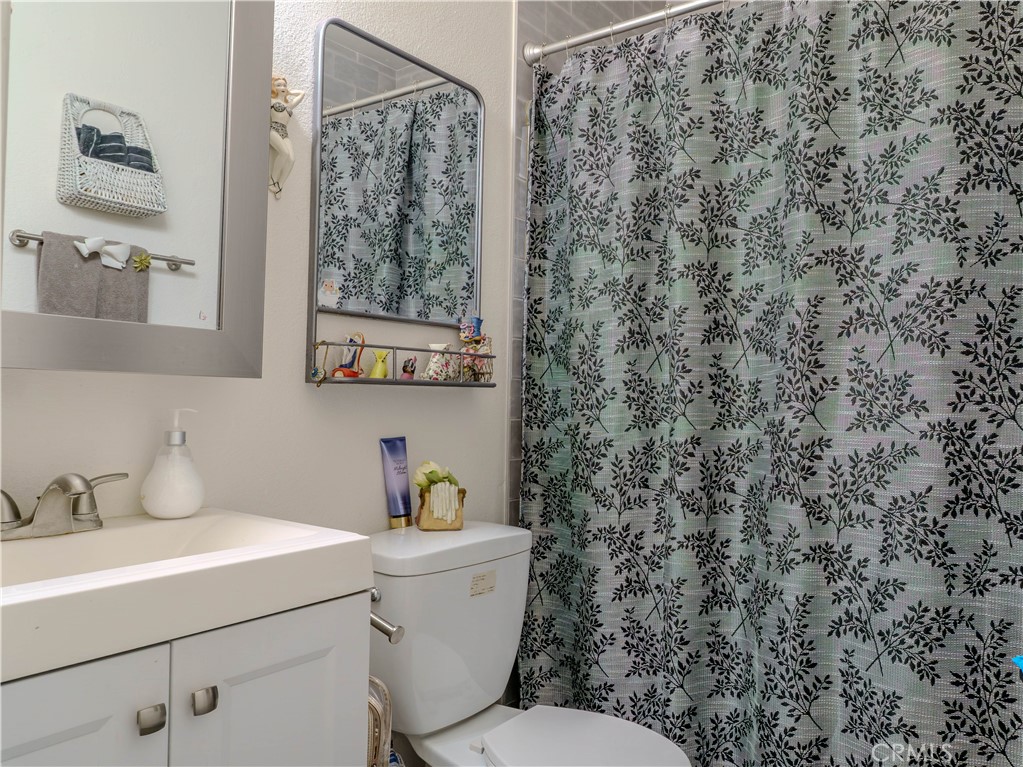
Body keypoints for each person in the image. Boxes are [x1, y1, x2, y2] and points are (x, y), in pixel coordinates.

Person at [268, 74, 305, 197]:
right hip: (273, 129)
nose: (282, 87)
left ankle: (279, 185)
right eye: (278, 85)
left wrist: (288, 92)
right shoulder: (271, 101)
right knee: (284, 153)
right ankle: (272, 180)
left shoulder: (289, 105)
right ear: (273, 87)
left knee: (291, 159)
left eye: (284, 85)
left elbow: (302, 94)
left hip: (285, 132)